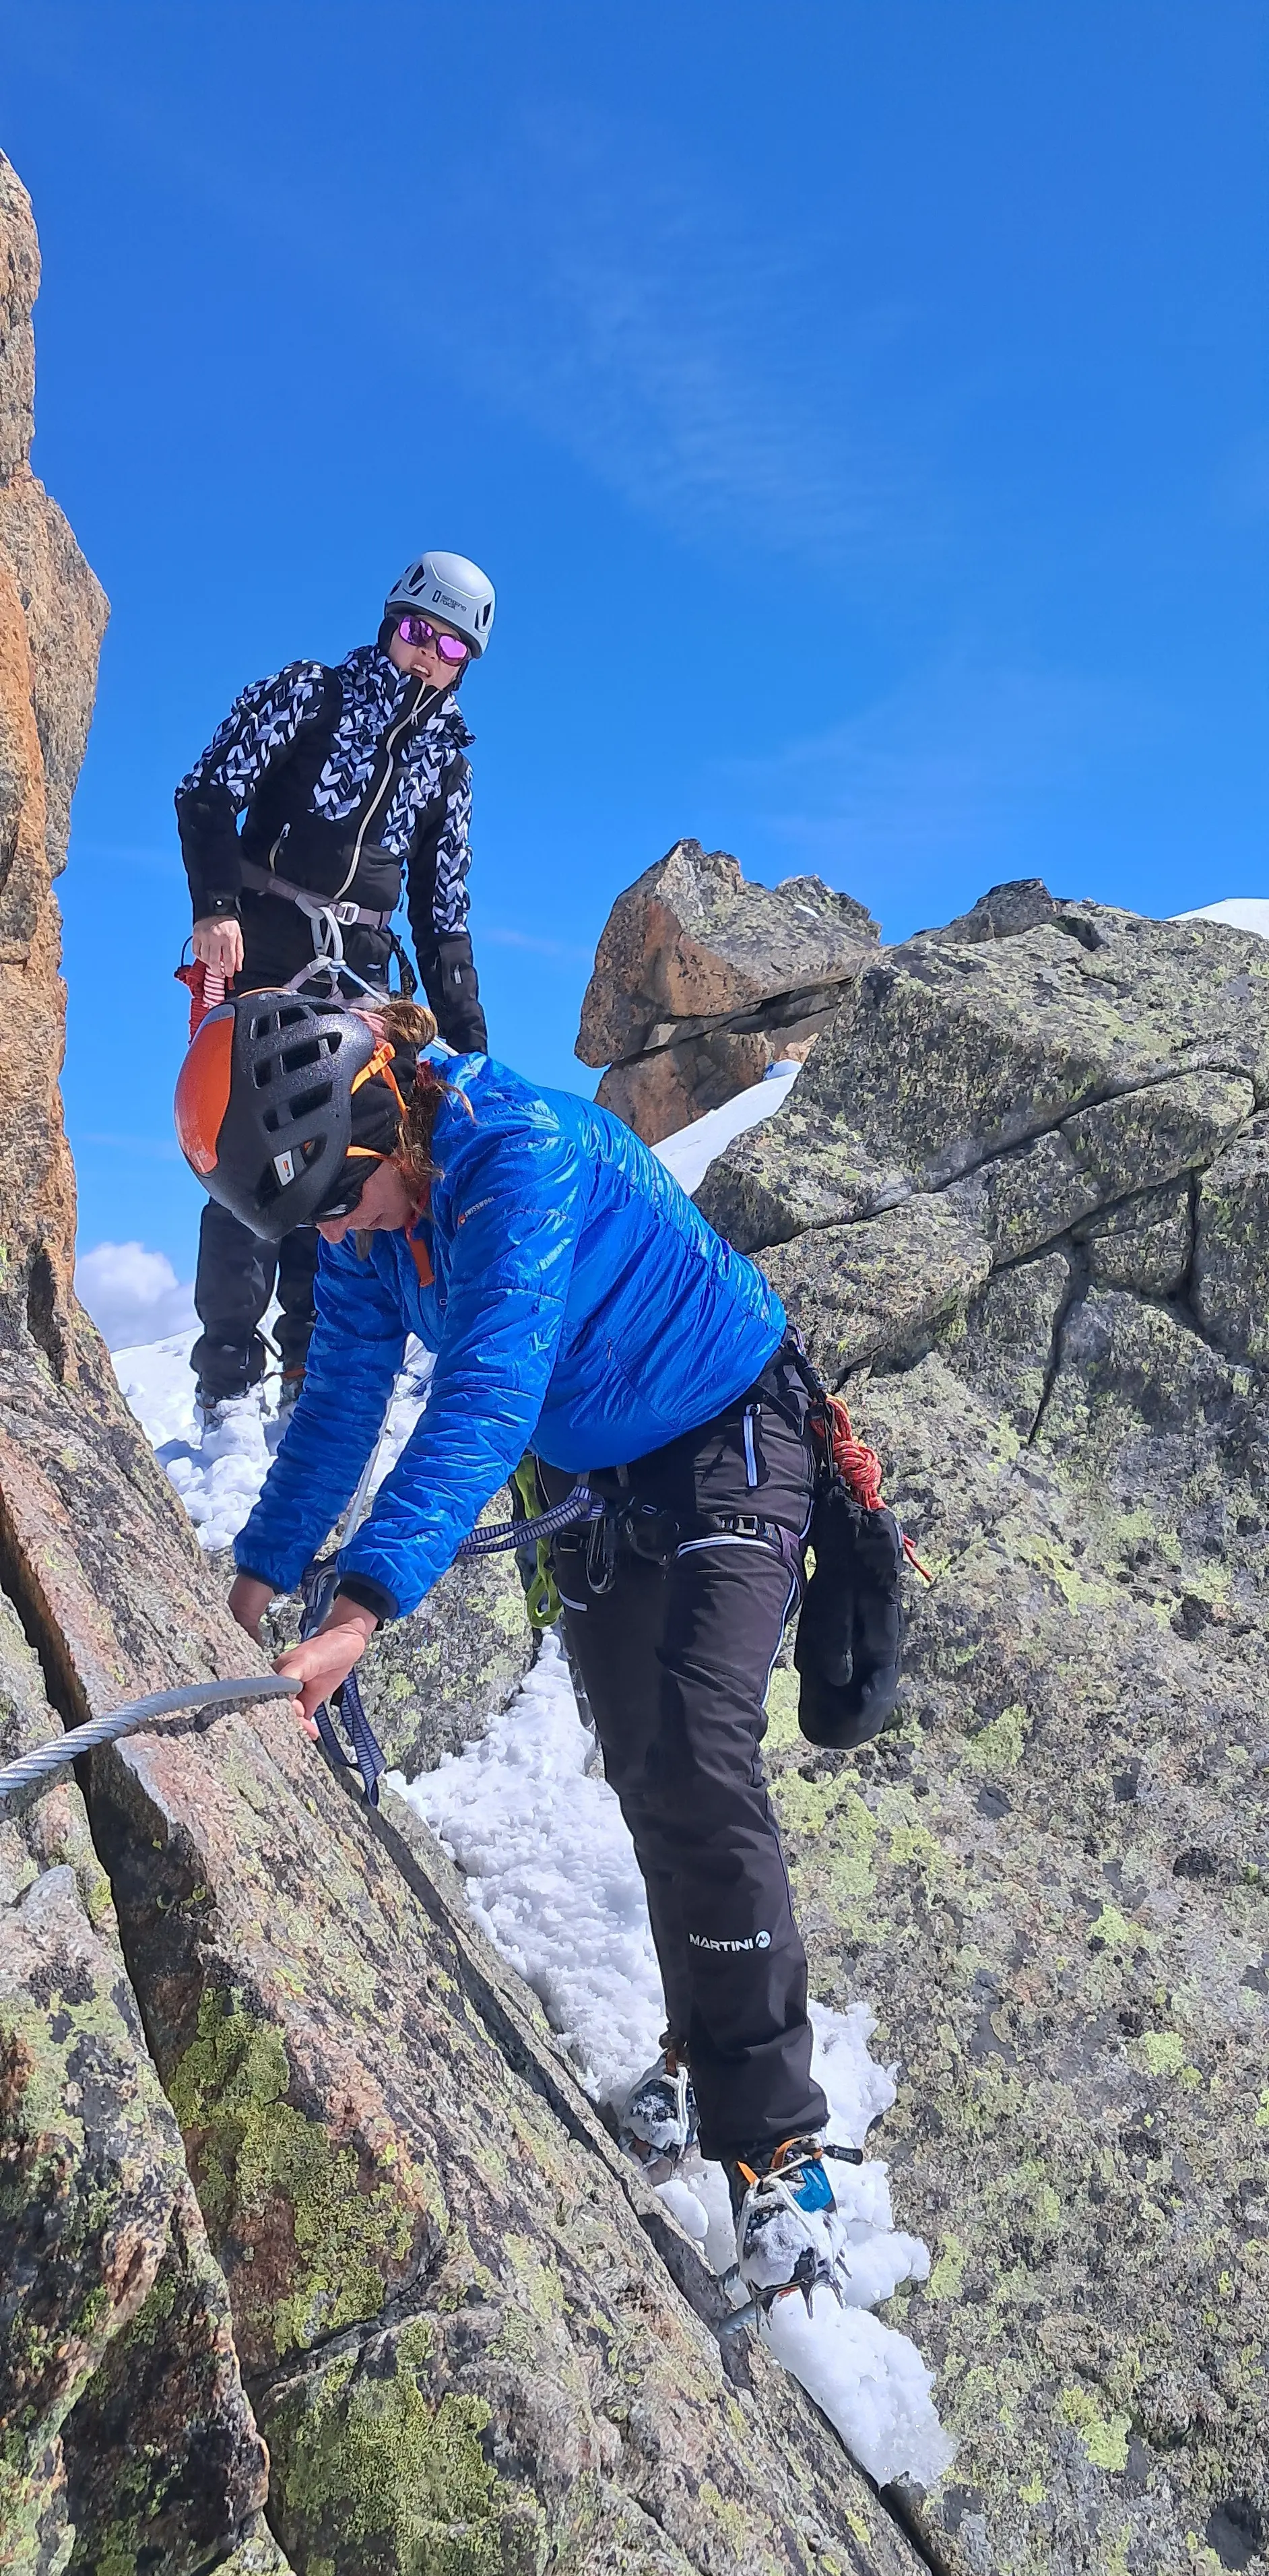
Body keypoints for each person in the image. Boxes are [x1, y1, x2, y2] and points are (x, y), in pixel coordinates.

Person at [172, 984, 861, 2314]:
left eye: (335, 1200)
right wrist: (260, 1581)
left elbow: (488, 1388)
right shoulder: (376, 1221)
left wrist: (362, 1610)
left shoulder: (518, 1154)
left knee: (699, 1761)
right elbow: (343, 1401)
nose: (334, 1234)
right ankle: (701, 2054)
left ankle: (778, 2151)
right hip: (603, 1477)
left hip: (730, 1438)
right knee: (652, 1774)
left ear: (382, 1119)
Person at [174, 550, 494, 1439]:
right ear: (389, 622)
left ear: (468, 662)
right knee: (248, 1145)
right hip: (266, 933)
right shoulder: (309, 695)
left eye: (450, 647)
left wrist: (468, 1037)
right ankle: (228, 1381)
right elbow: (207, 792)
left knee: (353, 1164)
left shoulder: (450, 766)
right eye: (414, 631)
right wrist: (215, 907)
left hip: (363, 962)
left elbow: (444, 907)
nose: (426, 655)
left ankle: (315, 1374)